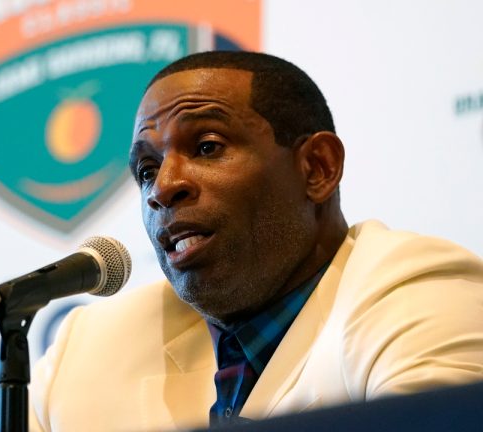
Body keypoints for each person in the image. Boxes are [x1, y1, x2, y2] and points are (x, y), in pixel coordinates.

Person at [28, 51, 483, 431]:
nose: (163, 188)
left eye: (207, 146)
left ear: (317, 168)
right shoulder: (84, 352)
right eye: (146, 171)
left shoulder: (417, 290)